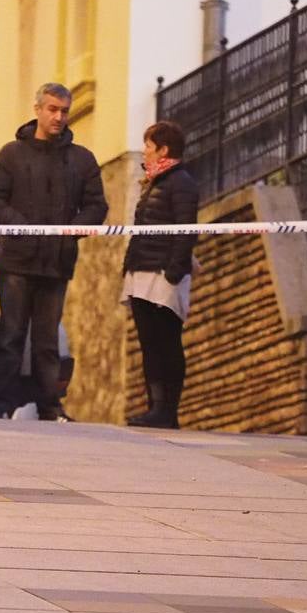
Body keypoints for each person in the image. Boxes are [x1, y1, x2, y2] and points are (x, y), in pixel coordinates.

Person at [0, 83, 107, 422]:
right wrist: (20, 225)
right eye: (52, 109)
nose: (58, 117)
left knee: (47, 340)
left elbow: (97, 206)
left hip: (57, 261)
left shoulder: (81, 159)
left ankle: (49, 404)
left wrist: (71, 231)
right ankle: (1, 404)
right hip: (17, 260)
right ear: (37, 109)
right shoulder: (11, 154)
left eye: (64, 111)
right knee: (11, 336)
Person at [121, 120, 200, 428]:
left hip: (163, 274)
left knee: (167, 341)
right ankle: (155, 406)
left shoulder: (181, 183)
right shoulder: (155, 180)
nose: (145, 151)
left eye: (149, 146)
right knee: (149, 342)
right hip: (141, 271)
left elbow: (184, 230)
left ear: (163, 150)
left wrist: (174, 271)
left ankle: (168, 410)